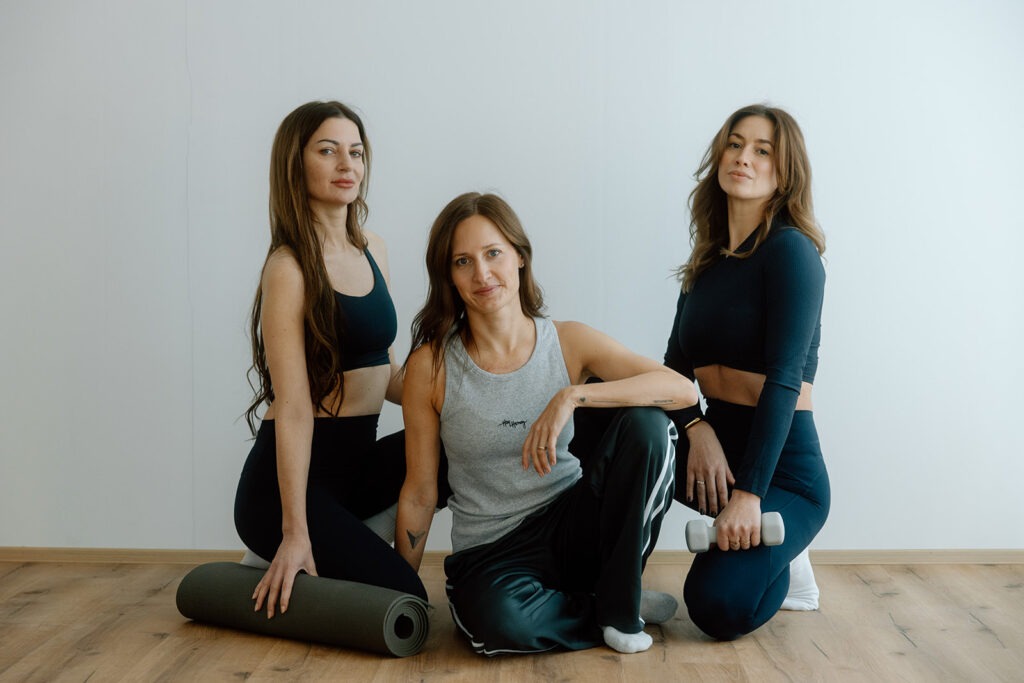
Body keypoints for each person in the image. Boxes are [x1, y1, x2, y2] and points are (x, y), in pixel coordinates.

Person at [396, 192, 697, 655]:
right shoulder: (430, 366)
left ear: (519, 256)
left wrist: (574, 395)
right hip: (492, 551)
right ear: (448, 276)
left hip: (574, 524)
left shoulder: (568, 341)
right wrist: (402, 590)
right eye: (463, 261)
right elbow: (420, 491)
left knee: (649, 427)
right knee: (501, 624)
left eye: (493, 253)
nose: (482, 274)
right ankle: (613, 602)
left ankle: (616, 607)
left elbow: (681, 390)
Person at [233, 100, 430, 618]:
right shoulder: (289, 268)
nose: (347, 165)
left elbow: (387, 373)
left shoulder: (374, 249)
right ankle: (286, 546)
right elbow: (294, 408)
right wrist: (294, 531)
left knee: (450, 443)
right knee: (409, 602)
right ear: (295, 163)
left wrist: (461, 391)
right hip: (286, 490)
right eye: (328, 151)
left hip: (354, 471)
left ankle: (349, 538)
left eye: (356, 152)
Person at [663, 104, 830, 640]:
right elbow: (673, 370)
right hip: (715, 459)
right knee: (610, 426)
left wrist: (750, 496)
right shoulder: (705, 262)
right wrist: (696, 427)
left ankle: (788, 555)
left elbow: (784, 379)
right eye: (735, 144)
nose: (743, 157)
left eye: (763, 150)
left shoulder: (792, 252)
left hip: (782, 472)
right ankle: (607, 588)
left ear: (786, 172)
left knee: (716, 607)